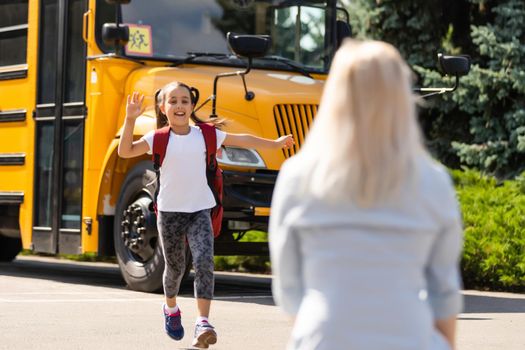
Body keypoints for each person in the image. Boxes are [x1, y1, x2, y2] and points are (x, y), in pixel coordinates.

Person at [269, 40, 463, 350]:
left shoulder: (297, 176)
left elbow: (289, 287)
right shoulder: (433, 181)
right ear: (401, 97)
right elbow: (444, 292)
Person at [118, 81, 294, 348]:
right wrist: (130, 119)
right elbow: (125, 151)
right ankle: (171, 308)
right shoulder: (158, 138)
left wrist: (274, 143)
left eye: (185, 101)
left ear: (191, 106)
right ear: (163, 108)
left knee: (203, 262)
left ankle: (203, 322)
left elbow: (243, 140)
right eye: (173, 101)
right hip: (169, 213)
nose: (179, 105)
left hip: (200, 209)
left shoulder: (206, 135)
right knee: (175, 269)